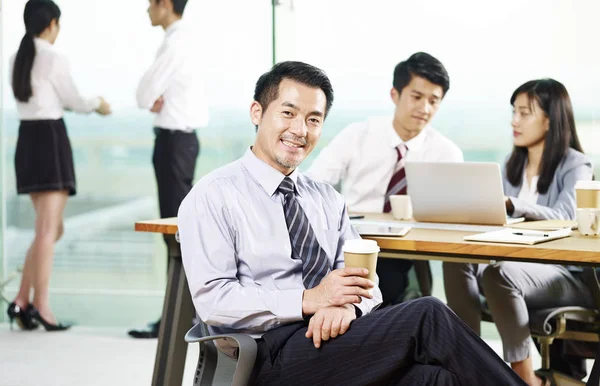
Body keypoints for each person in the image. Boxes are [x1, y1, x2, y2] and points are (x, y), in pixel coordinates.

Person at [178, 61, 526, 385]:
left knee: (439, 379)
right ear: (257, 112)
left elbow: (366, 283)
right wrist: (309, 300)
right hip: (267, 353)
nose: (300, 130)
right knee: (428, 314)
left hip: (335, 341)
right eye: (288, 113)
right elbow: (214, 300)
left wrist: (346, 304)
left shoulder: (326, 199)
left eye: (314, 119)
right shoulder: (214, 195)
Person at [443, 79, 595, 386]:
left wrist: (514, 204)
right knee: (456, 262)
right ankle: (473, 366)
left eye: (524, 113)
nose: (515, 120)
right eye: (514, 112)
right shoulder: (513, 166)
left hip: (564, 274)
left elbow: (566, 216)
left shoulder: (576, 164)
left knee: (500, 274)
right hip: (515, 265)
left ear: (550, 120)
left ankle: (523, 378)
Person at [307, 52, 463, 305]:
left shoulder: (447, 153)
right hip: (353, 242)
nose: (424, 108)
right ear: (395, 95)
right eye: (416, 97)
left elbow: (456, 215)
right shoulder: (358, 135)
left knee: (387, 283)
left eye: (434, 101)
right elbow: (314, 185)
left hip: (406, 251)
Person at [6, 0, 111, 332]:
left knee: (48, 230)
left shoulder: (16, 58)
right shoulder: (53, 57)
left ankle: (22, 299)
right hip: (49, 140)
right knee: (48, 230)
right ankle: (43, 306)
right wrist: (99, 104)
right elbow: (73, 100)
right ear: (51, 24)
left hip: (27, 141)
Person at [129, 0, 208, 339]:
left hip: (174, 143)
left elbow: (145, 91)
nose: (146, 8)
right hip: (178, 141)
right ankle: (177, 318)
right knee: (176, 231)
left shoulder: (175, 42)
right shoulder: (185, 41)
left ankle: (177, 321)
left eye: (149, 0)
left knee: (175, 233)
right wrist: (153, 97)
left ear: (165, 2)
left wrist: (150, 99)